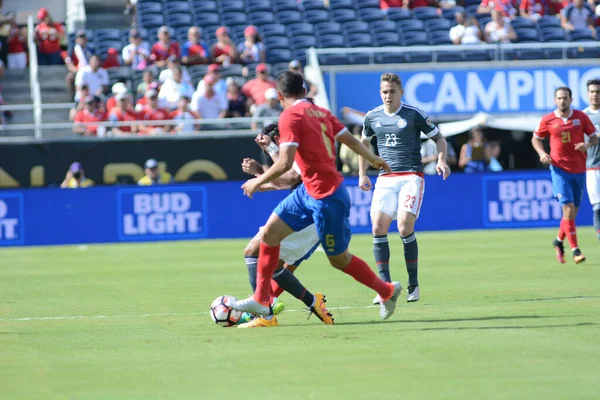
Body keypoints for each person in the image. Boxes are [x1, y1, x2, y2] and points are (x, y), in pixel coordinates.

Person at [227, 71, 402, 323]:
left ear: (279, 96)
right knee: (268, 236)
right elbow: (349, 140)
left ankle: (386, 290)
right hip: (307, 192)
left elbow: (286, 163)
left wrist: (258, 180)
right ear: (305, 90)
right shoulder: (322, 113)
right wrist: (373, 158)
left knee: (339, 260)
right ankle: (262, 301)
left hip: (327, 197)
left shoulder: (290, 115)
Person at [359, 73, 450, 305]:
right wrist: (362, 174)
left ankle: (413, 285)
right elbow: (363, 144)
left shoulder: (413, 114)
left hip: (410, 175)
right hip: (385, 177)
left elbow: (440, 138)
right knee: (378, 227)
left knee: (403, 226)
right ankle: (385, 288)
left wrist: (441, 160)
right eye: (384, 92)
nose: (388, 95)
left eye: (392, 91)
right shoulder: (372, 117)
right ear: (380, 93)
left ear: (401, 92)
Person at [532, 86, 597, 264]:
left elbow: (594, 137)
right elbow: (535, 138)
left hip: (579, 169)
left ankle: (558, 241)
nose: (562, 101)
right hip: (559, 169)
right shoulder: (548, 119)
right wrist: (542, 153)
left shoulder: (580, 117)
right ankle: (576, 250)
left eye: (565, 98)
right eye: (559, 98)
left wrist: (587, 145)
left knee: (572, 212)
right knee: (567, 208)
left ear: (571, 99)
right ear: (555, 100)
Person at [583, 80, 600, 241]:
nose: (595, 95)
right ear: (588, 94)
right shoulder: (583, 116)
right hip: (592, 168)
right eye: (592, 91)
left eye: (598, 92)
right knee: (597, 206)